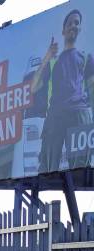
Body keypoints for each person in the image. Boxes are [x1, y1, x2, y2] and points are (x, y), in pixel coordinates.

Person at [33, 9, 94, 173]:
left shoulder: (86, 57)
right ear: (63, 30)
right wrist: (47, 56)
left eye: (77, 23)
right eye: (70, 23)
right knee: (47, 168)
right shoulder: (53, 61)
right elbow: (33, 87)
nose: (73, 26)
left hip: (79, 114)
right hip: (55, 115)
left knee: (81, 168)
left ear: (80, 29)